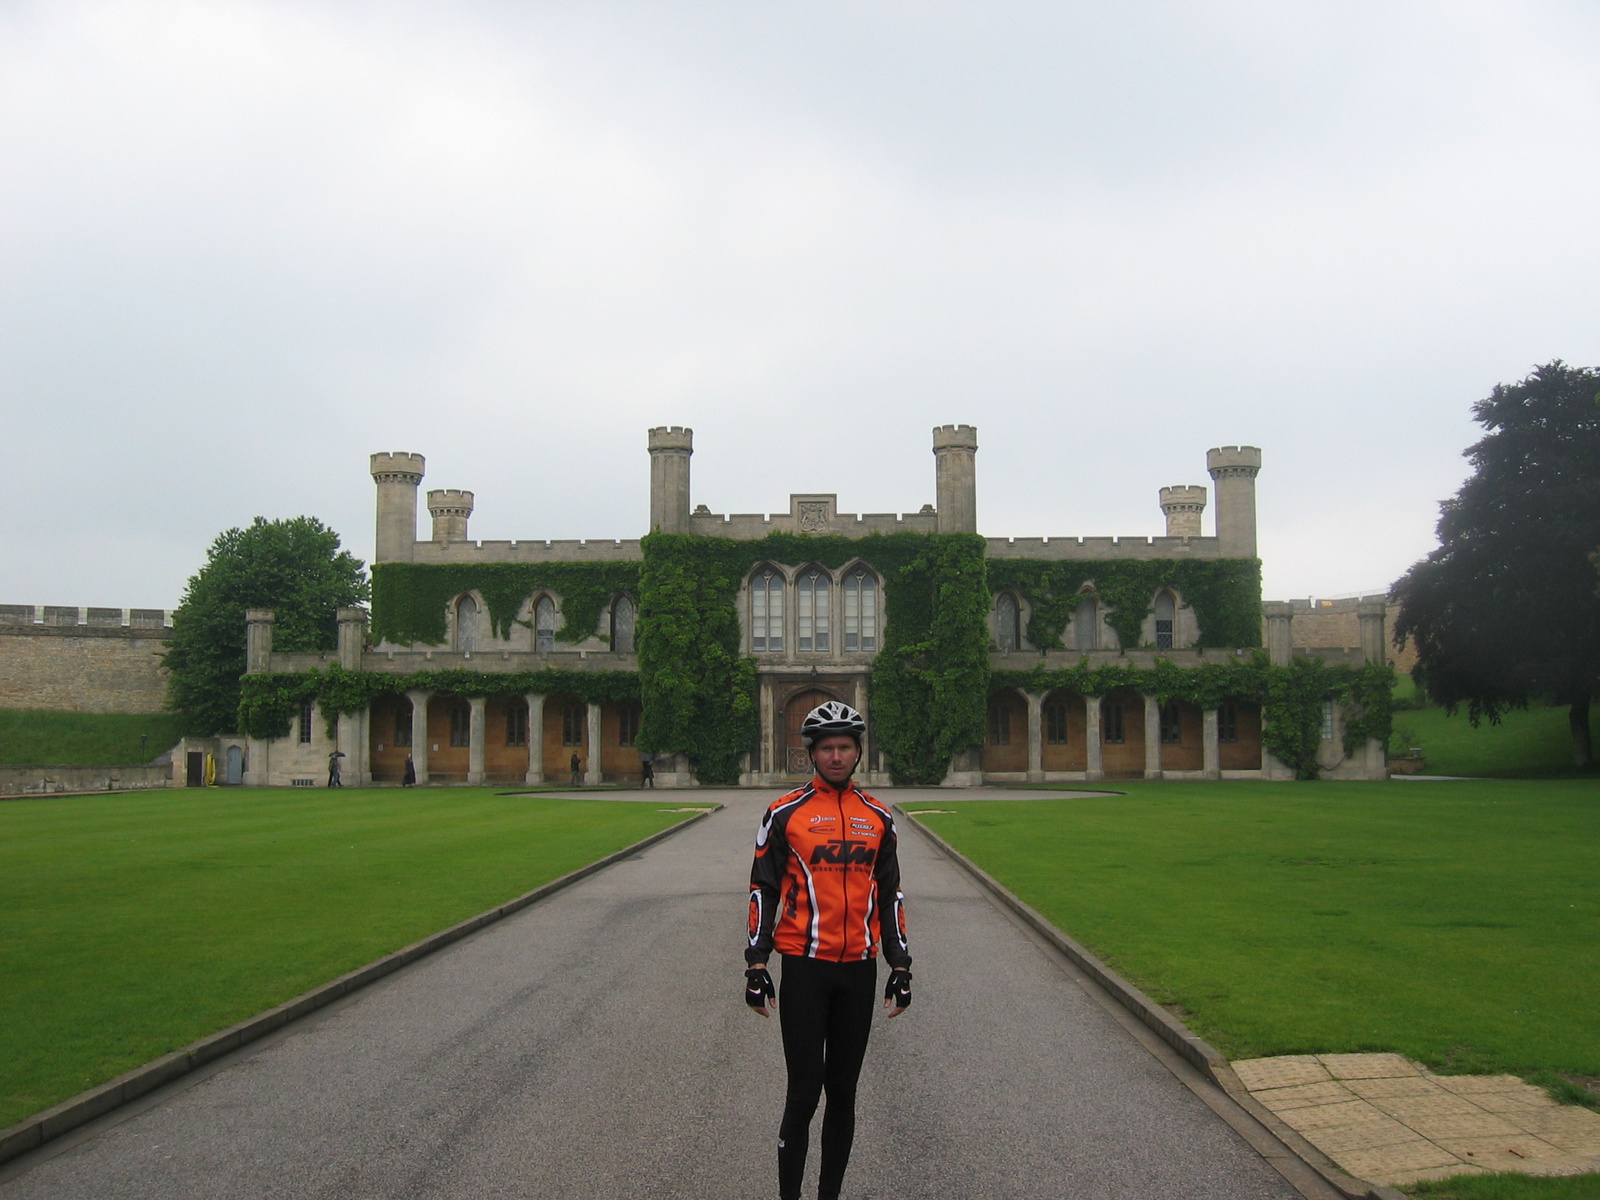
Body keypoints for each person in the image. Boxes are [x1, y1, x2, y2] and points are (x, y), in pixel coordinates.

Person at [744, 700, 912, 1200]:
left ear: (859, 752)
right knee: (804, 1093)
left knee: (843, 1094)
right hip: (805, 968)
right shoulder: (784, 813)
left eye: (845, 747)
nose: (836, 756)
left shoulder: (878, 817)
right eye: (826, 748)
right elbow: (763, 889)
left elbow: (891, 894)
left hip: (857, 969)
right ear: (812, 753)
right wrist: (756, 962)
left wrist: (900, 965)